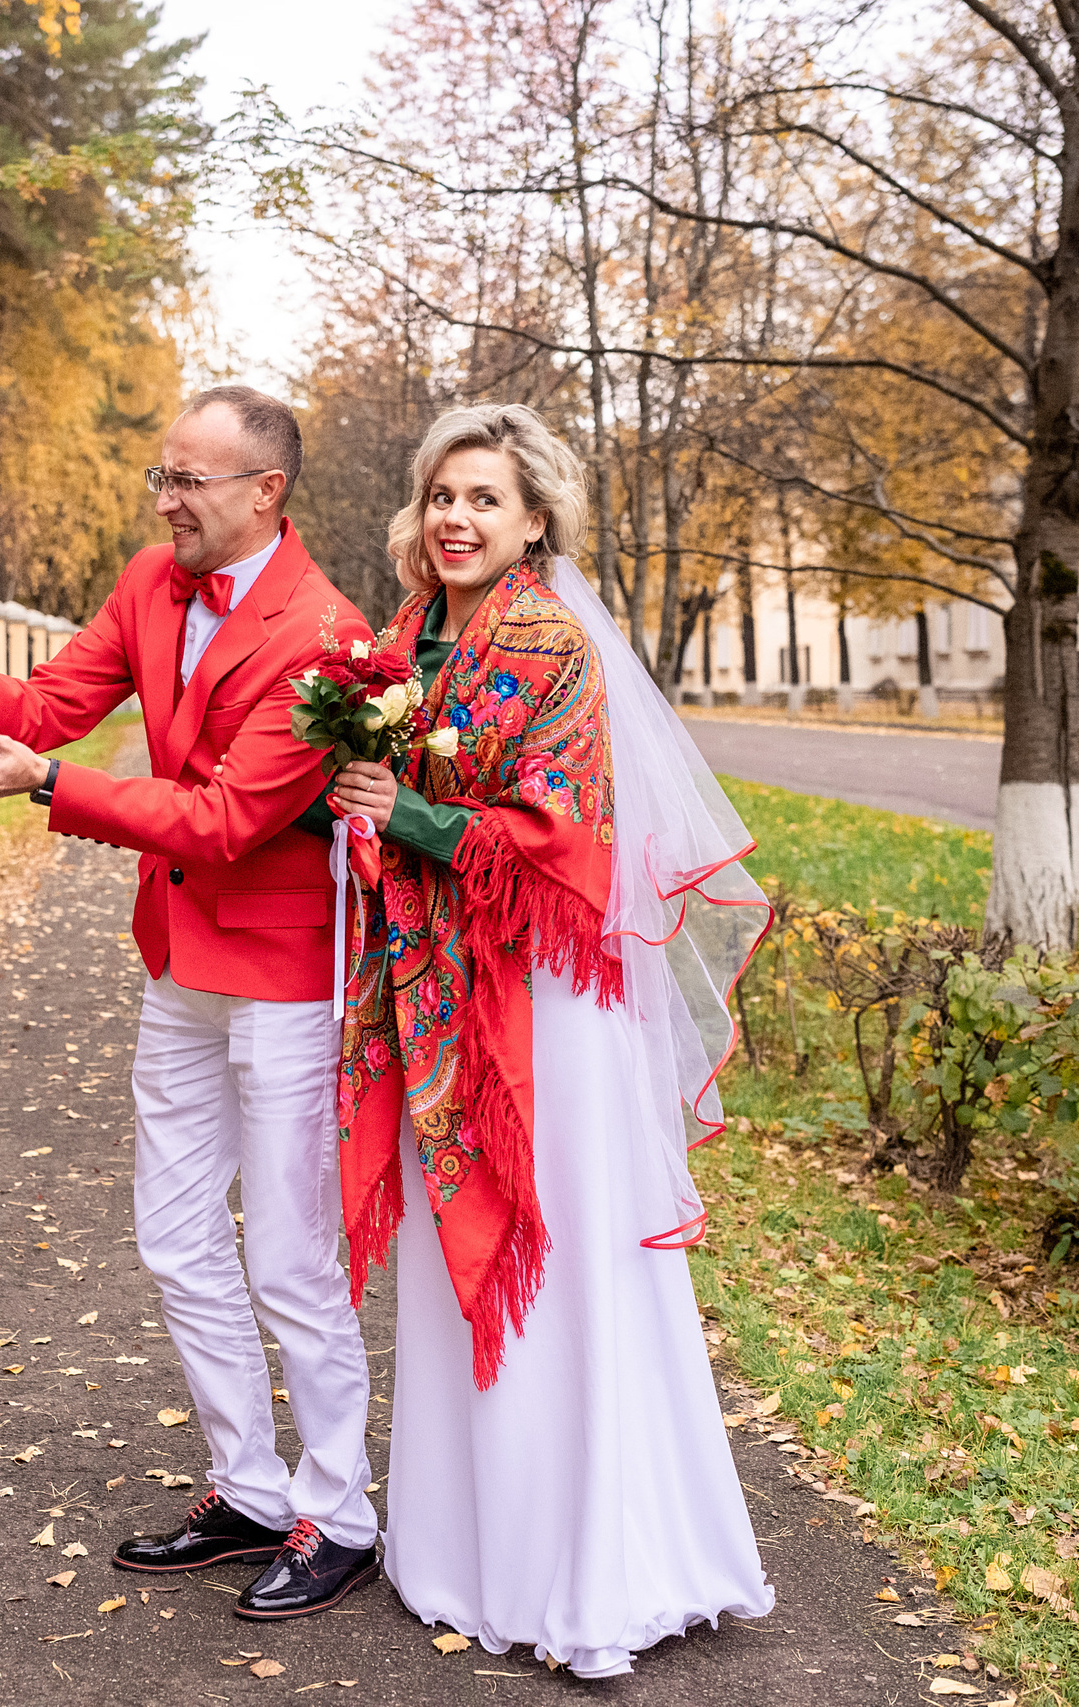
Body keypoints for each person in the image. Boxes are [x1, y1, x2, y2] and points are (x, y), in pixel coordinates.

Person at [0, 386, 385, 1620]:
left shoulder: (329, 634)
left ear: (266, 491)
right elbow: (44, 709)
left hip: (285, 977)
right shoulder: (153, 582)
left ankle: (340, 1515)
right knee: (175, 1237)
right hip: (178, 964)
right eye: (162, 476)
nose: (166, 503)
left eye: (189, 481)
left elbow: (226, 821)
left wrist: (48, 785)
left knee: (293, 1261)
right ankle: (247, 1488)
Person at [322, 402, 775, 1674]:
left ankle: (591, 1566)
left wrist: (410, 818)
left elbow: (567, 836)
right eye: (442, 496)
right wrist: (350, 804)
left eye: (485, 499)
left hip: (538, 1001)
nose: (456, 518)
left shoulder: (552, 644)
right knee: (443, 1254)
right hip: (435, 988)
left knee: (559, 1248)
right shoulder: (402, 640)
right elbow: (383, 795)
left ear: (534, 523)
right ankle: (465, 1551)